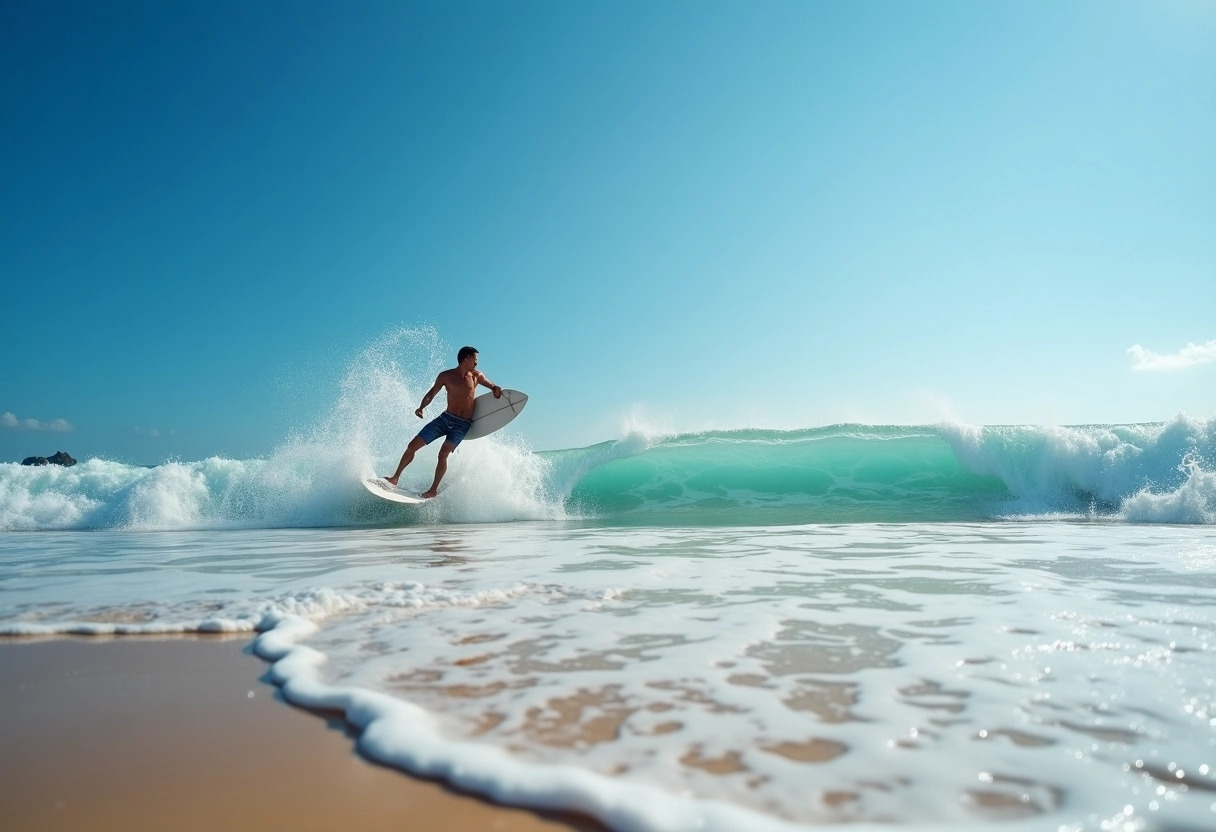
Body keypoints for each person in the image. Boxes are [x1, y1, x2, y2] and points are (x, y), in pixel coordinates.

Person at [383, 346, 503, 498]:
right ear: (466, 359)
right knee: (412, 446)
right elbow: (431, 394)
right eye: (475, 359)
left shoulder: (476, 376)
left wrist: (495, 388)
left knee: (443, 454)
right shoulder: (446, 376)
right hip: (445, 419)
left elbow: (490, 385)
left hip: (462, 425)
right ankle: (395, 478)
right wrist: (421, 408)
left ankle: (433, 489)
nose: (477, 363)